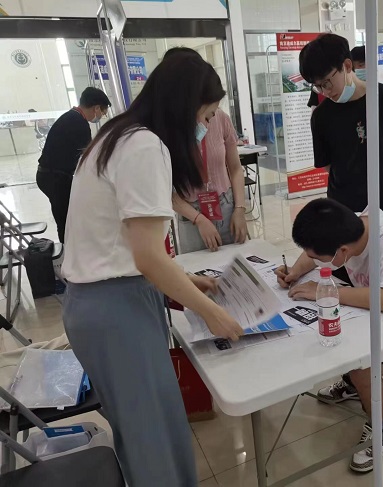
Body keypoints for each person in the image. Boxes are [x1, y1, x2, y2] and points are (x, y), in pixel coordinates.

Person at [62, 53, 243, 486]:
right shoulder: (144, 146)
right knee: (153, 435)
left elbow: (125, 248)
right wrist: (211, 312)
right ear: (185, 107)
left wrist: (185, 282)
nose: (206, 128)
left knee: (145, 427)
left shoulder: (117, 135)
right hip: (115, 312)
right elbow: (148, 257)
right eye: (206, 116)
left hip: (103, 303)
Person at [275, 198, 383, 473]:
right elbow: (312, 255)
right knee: (332, 332)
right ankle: (353, 386)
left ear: (342, 251)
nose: (315, 262)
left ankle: (379, 428)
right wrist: (294, 273)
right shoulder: (352, 225)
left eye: (320, 258)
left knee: (362, 366)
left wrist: (323, 292)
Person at [299, 34, 383, 218]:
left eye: (326, 83)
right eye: (318, 87)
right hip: (343, 206)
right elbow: (327, 163)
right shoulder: (321, 116)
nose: (325, 92)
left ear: (347, 66)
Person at [162, 48, 248, 253]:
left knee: (236, 263)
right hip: (190, 215)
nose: (209, 119)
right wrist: (198, 219)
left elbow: (235, 168)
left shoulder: (220, 118)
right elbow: (167, 190)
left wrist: (239, 208)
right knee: (199, 268)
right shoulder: (167, 129)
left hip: (225, 205)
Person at [36, 87, 110, 243]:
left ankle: (70, 247)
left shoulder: (71, 117)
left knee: (67, 215)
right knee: (66, 218)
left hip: (50, 175)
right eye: (103, 112)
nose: (101, 116)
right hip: (54, 178)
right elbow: (89, 158)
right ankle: (69, 250)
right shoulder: (78, 123)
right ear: (96, 108)